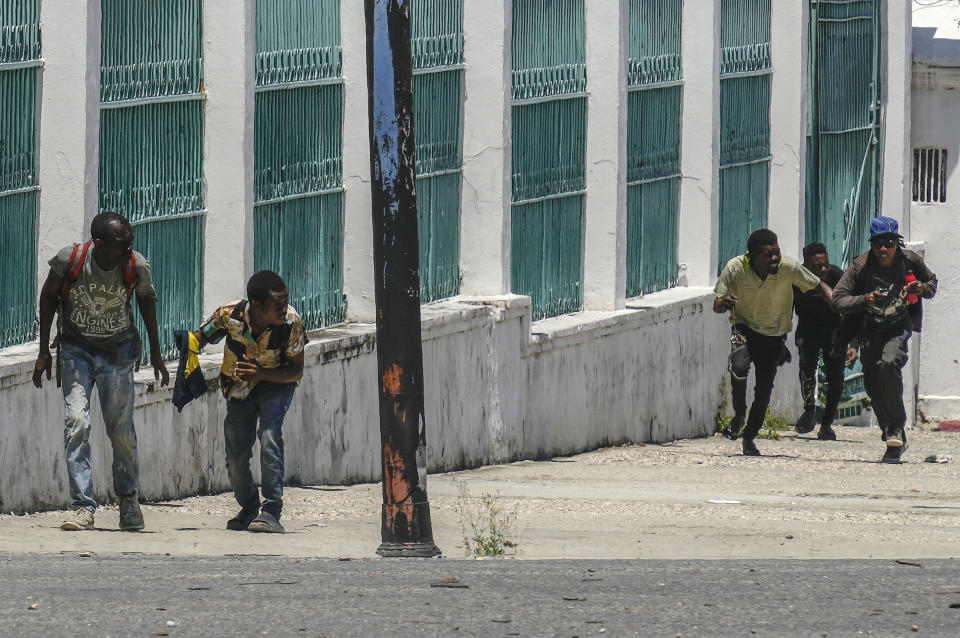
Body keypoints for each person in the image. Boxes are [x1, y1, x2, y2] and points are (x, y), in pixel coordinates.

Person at [32, 212, 169, 531]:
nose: (128, 248)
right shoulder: (72, 259)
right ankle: (82, 506)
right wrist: (43, 352)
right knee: (77, 422)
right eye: (122, 243)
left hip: (118, 353)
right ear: (99, 243)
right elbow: (49, 297)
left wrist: (157, 354)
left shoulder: (136, 266)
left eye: (130, 241)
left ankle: (129, 501)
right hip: (76, 350)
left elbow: (148, 304)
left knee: (121, 432)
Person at [194, 270, 305, 533]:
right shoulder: (228, 315)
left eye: (285, 301)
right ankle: (248, 506)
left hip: (276, 383)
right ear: (256, 305)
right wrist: (187, 352)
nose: (283, 308)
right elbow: (201, 337)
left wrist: (263, 373)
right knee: (235, 453)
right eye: (276, 305)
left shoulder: (291, 322)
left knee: (269, 437)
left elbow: (296, 370)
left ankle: (271, 510)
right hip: (239, 388)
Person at [714, 229, 830, 456]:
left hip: (774, 335)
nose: (775, 258)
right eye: (768, 255)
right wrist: (725, 302)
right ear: (753, 256)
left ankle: (749, 438)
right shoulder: (736, 268)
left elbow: (818, 285)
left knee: (764, 391)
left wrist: (839, 303)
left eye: (776, 252)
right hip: (744, 327)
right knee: (738, 365)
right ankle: (739, 415)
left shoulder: (788, 267)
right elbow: (717, 304)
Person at [833, 217, 937, 464]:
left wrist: (920, 288)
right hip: (869, 330)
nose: (883, 249)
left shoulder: (910, 261)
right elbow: (837, 299)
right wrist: (863, 300)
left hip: (898, 326)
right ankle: (891, 433)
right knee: (872, 382)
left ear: (897, 243)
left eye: (889, 243)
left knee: (888, 364)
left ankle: (895, 427)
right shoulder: (860, 266)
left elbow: (933, 285)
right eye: (878, 243)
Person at [793, 242, 858, 441]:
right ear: (806, 266)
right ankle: (809, 409)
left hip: (834, 333)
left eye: (825, 265)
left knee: (836, 380)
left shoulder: (838, 277)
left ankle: (827, 425)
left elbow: (854, 312)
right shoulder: (796, 280)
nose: (823, 270)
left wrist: (854, 344)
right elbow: (785, 307)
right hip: (808, 330)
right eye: (817, 267)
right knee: (806, 368)